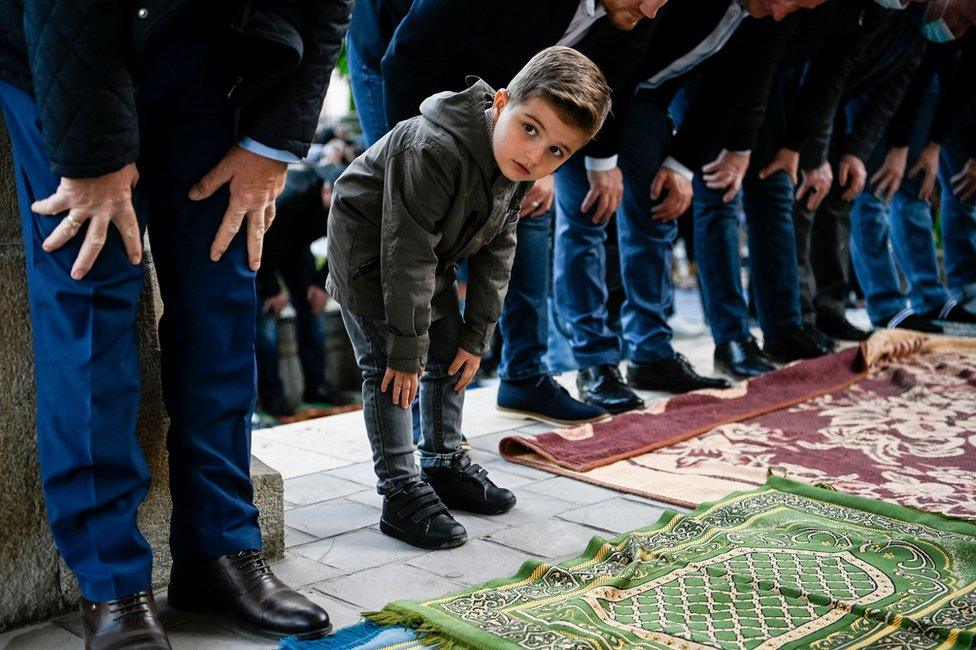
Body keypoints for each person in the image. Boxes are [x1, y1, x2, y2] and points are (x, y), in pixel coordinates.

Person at [0, 0, 349, 646]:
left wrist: (273, 141)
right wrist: (92, 154)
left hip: (212, 45)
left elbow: (328, 3)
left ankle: (220, 551)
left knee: (222, 290)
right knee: (91, 295)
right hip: (66, 43)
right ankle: (111, 580)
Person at [327, 47, 612, 549]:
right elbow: (405, 253)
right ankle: (399, 489)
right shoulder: (433, 148)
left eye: (556, 152)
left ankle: (442, 462)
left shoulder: (513, 164)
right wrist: (404, 348)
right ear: (502, 103)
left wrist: (477, 336)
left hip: (426, 256)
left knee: (450, 351)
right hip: (372, 256)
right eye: (530, 128)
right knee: (391, 369)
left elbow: (500, 248)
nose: (534, 155)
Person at [381, 0, 660, 427]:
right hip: (405, 57)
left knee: (527, 210)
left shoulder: (634, 14)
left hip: (515, 108)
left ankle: (524, 374)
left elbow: (611, 86)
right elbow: (409, 54)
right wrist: (424, 161)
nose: (652, 9)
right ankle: (417, 401)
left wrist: (538, 154)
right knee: (425, 228)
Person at [556, 0, 823, 413]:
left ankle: (651, 353)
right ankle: (596, 364)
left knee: (657, 213)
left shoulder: (763, 16)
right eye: (791, 1)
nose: (784, 14)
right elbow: (618, 49)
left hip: (645, 99)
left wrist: (681, 163)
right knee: (588, 215)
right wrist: (602, 159)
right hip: (586, 86)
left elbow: (725, 88)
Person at [256, 165, 354, 418]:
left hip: (297, 250)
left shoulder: (351, 202)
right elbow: (263, 241)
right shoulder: (292, 195)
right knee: (265, 326)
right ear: (324, 190)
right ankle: (271, 398)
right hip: (263, 249)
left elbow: (342, 245)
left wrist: (321, 284)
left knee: (313, 313)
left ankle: (317, 386)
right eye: (331, 201)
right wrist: (272, 289)